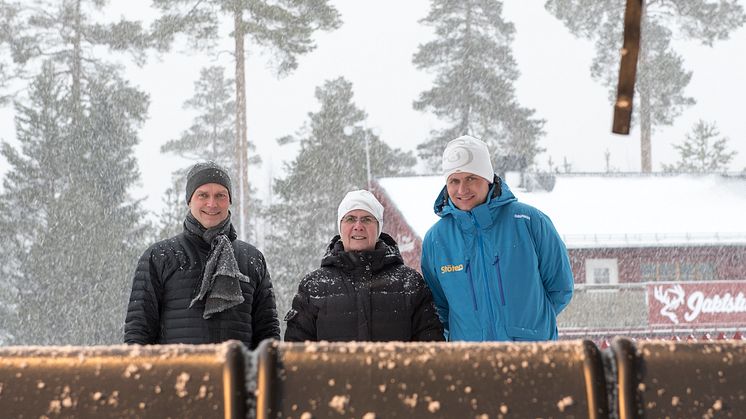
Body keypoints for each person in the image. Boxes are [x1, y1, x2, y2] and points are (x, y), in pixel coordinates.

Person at [421, 135, 574, 342]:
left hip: (532, 356)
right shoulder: (436, 240)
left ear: (488, 178)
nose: (462, 190)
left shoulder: (529, 222)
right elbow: (440, 308)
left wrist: (530, 327)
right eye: (454, 181)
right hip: (471, 362)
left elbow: (560, 287)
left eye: (471, 178)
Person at [124, 161, 280, 349]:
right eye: (203, 195)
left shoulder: (252, 259)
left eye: (220, 195)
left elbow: (268, 335)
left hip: (236, 377)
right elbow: (138, 332)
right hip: (178, 377)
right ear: (190, 200)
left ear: (229, 201)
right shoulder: (159, 256)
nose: (212, 203)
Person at [284, 190, 444, 342]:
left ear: (378, 227)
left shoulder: (410, 283)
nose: (358, 225)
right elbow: (295, 353)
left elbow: (431, 348)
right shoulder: (314, 286)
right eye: (350, 219)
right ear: (340, 227)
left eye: (367, 219)